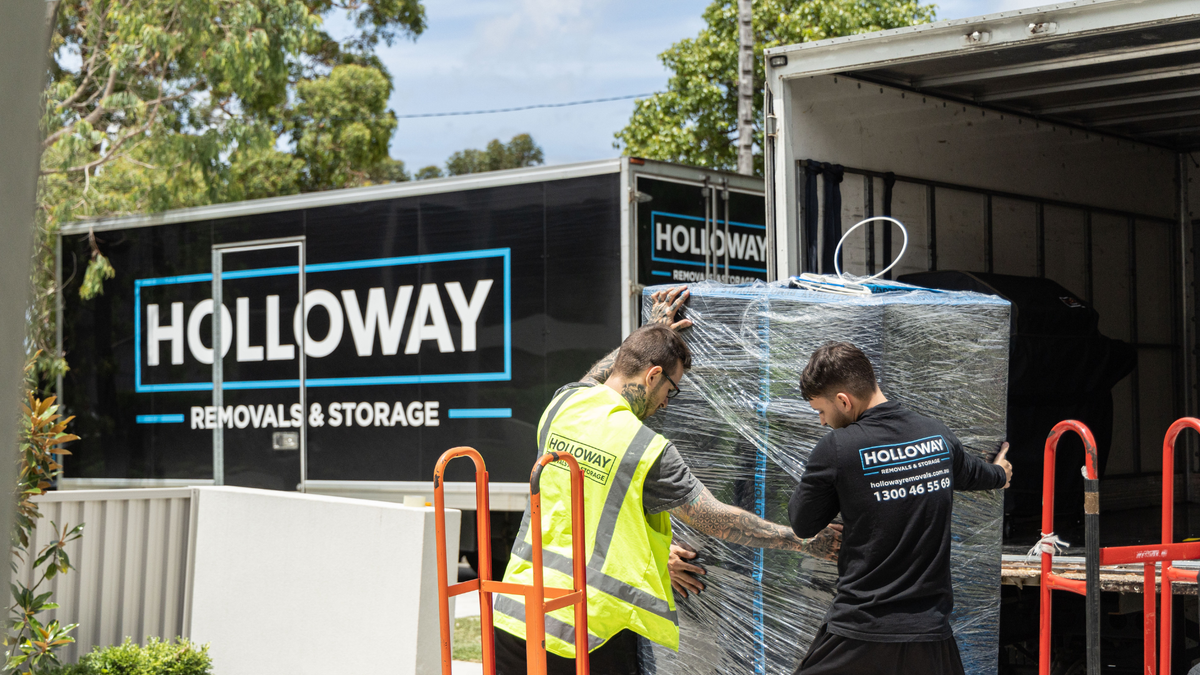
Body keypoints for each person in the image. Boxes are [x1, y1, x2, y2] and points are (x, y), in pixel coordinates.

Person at [493, 286, 843, 675]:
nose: (665, 404)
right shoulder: (644, 447)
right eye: (670, 391)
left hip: (518, 612)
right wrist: (802, 540)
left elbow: (601, 375)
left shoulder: (563, 405)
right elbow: (716, 518)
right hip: (588, 631)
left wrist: (651, 330)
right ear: (654, 375)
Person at [788, 341, 1012, 675]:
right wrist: (1000, 474)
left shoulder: (837, 448)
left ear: (843, 401)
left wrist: (838, 479)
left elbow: (803, 523)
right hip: (930, 636)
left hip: (861, 630)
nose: (821, 422)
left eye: (821, 411)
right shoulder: (938, 437)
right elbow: (973, 473)